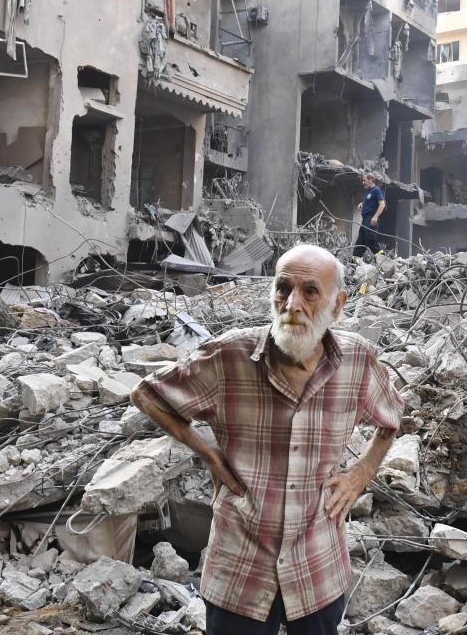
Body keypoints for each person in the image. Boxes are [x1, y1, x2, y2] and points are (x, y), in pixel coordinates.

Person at [131, 244, 404, 635]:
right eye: (283, 288)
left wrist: (361, 472)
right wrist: (208, 452)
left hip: (317, 560)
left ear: (338, 305)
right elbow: (147, 395)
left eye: (310, 292)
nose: (292, 304)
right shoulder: (229, 355)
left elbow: (392, 418)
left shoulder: (357, 360)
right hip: (241, 564)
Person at [353, 173, 385, 258]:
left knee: (370, 239)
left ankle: (382, 259)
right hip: (365, 219)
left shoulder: (376, 190)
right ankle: (355, 260)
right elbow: (369, 202)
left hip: (371, 218)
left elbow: (382, 204)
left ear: (370, 180)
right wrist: (362, 204)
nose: (363, 183)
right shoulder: (369, 192)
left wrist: (375, 217)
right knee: (360, 240)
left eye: (364, 180)